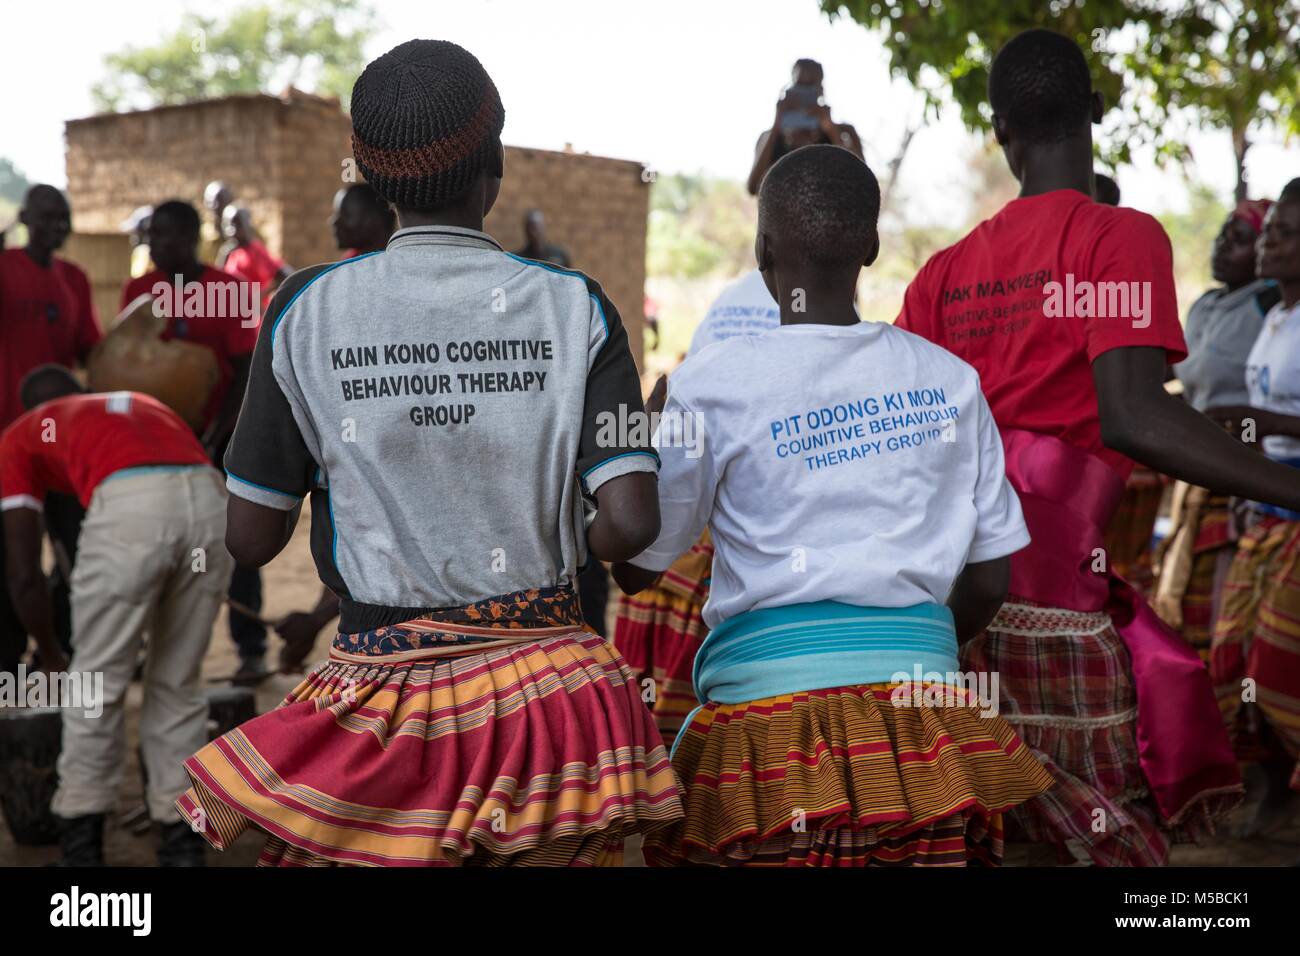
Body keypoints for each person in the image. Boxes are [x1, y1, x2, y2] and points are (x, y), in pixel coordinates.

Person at [175, 39, 682, 866]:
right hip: (553, 703)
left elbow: (251, 537)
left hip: (380, 702)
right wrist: (541, 549)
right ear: (496, 167)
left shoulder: (304, 312)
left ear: (369, 181)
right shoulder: (575, 307)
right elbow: (629, 521)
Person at [896, 29, 1300, 865]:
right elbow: (1132, 417)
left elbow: (914, 437)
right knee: (1089, 839)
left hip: (950, 606)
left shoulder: (942, 273)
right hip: (1056, 613)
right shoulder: (1116, 238)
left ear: (999, 129)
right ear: (1097, 111)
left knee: (982, 830)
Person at [615, 144, 1053, 867]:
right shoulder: (949, 380)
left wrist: (642, 443)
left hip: (766, 732)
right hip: (926, 726)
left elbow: (635, 568)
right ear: (873, 247)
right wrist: (912, 646)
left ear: (761, 249)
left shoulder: (712, 384)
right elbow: (988, 578)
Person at [1, 366, 231, 866]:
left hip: (132, 513)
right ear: (84, 392)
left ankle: (82, 850)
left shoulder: (21, 435)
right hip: (213, 507)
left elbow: (22, 574)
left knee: (94, 686)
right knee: (178, 683)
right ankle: (182, 844)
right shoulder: (141, 404)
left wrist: (51, 652)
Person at [120, 200, 268, 683]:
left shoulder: (231, 291)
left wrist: (216, 436)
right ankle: (150, 648)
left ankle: (251, 650)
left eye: (165, 235)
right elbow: (125, 365)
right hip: (156, 447)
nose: (156, 244)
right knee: (154, 544)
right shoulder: (138, 292)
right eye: (151, 236)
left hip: (220, 441)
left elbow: (247, 372)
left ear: (189, 237)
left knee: (236, 542)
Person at [1204, 180, 1300, 825]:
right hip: (1264, 504)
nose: (1270, 243)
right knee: (1230, 653)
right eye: (1270, 231)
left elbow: (1273, 419)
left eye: (1284, 233)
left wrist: (1257, 419)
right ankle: (1267, 789)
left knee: (1278, 664)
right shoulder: (1275, 318)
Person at [1154, 199, 1278, 659]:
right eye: (1224, 234)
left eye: (1242, 239)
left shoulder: (1272, 304)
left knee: (1223, 576)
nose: (1224, 246)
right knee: (1184, 576)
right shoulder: (1205, 307)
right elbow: (1184, 379)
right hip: (1195, 461)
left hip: (1240, 462)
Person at [0, 184, 101, 677]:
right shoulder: (4, 267)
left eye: (64, 217)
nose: (57, 226)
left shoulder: (75, 278)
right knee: (12, 550)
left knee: (74, 544)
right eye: (47, 217)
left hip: (62, 441)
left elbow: (90, 350)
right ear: (24, 218)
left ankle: (60, 647)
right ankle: (9, 653)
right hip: (7, 438)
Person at [747, 58, 863, 196]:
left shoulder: (845, 132)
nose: (803, 98)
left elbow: (861, 182)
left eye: (809, 89)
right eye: (799, 87)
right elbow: (753, 187)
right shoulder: (770, 137)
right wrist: (777, 125)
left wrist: (831, 131)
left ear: (820, 91)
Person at [221, 205, 293, 298]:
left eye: (237, 224)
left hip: (253, 310)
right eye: (229, 224)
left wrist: (259, 296)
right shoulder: (229, 252)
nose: (232, 230)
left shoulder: (255, 250)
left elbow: (285, 274)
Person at [330, 182, 395, 258]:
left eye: (346, 215)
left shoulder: (398, 262)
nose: (334, 221)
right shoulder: (350, 261)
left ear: (374, 220)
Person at [201, 180, 236, 267]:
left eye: (221, 202)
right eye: (212, 203)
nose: (216, 207)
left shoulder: (247, 236)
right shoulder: (201, 235)